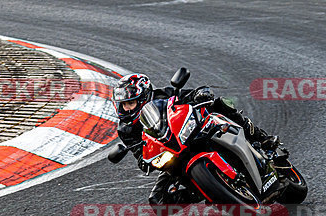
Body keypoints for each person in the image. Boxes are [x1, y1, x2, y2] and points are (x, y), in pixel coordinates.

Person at [112, 73, 278, 205]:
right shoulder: (125, 129)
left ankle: (260, 137)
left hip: (192, 133)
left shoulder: (164, 95)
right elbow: (138, 152)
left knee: (220, 104)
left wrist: (200, 94)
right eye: (123, 105)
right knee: (157, 201)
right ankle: (205, 190)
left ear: (144, 97)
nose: (126, 108)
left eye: (130, 103)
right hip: (171, 155)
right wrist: (143, 161)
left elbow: (189, 95)